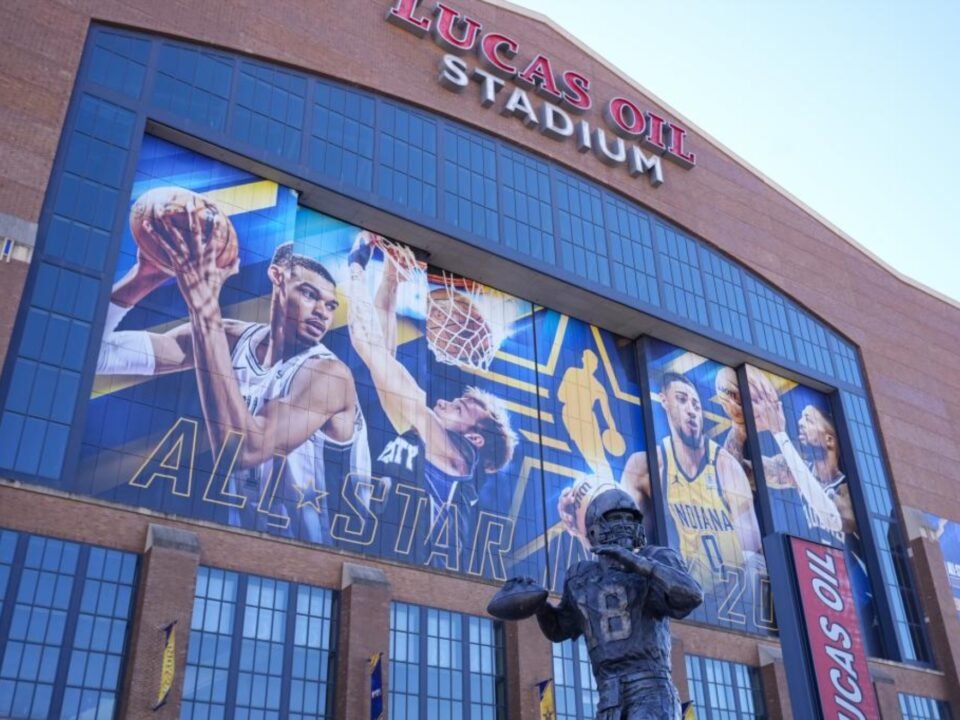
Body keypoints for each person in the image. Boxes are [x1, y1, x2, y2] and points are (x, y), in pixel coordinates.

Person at [96, 198, 370, 544]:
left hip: (316, 563)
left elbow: (244, 451)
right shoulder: (227, 337)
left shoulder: (330, 375)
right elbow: (98, 353)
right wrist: (146, 276)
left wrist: (204, 308)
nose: (322, 312)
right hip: (238, 548)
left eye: (330, 305)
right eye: (309, 294)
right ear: (277, 277)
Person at [346, 231, 516, 565]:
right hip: (393, 565)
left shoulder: (454, 456)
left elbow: (366, 343)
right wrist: (391, 278)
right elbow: (384, 359)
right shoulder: (434, 447)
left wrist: (356, 265)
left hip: (415, 579)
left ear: (475, 438)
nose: (445, 402)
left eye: (460, 407)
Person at [535, 487, 703, 720]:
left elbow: (692, 594)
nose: (623, 524)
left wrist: (639, 563)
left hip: (650, 687)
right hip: (608, 693)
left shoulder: (656, 558)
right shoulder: (580, 576)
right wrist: (537, 604)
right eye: (615, 517)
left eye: (629, 518)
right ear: (595, 527)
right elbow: (559, 629)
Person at [620, 372, 764, 598]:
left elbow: (753, 553)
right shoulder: (645, 467)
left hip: (731, 602)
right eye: (682, 399)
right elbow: (628, 548)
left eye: (696, 405)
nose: (692, 410)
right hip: (680, 599)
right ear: (664, 401)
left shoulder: (725, 467)